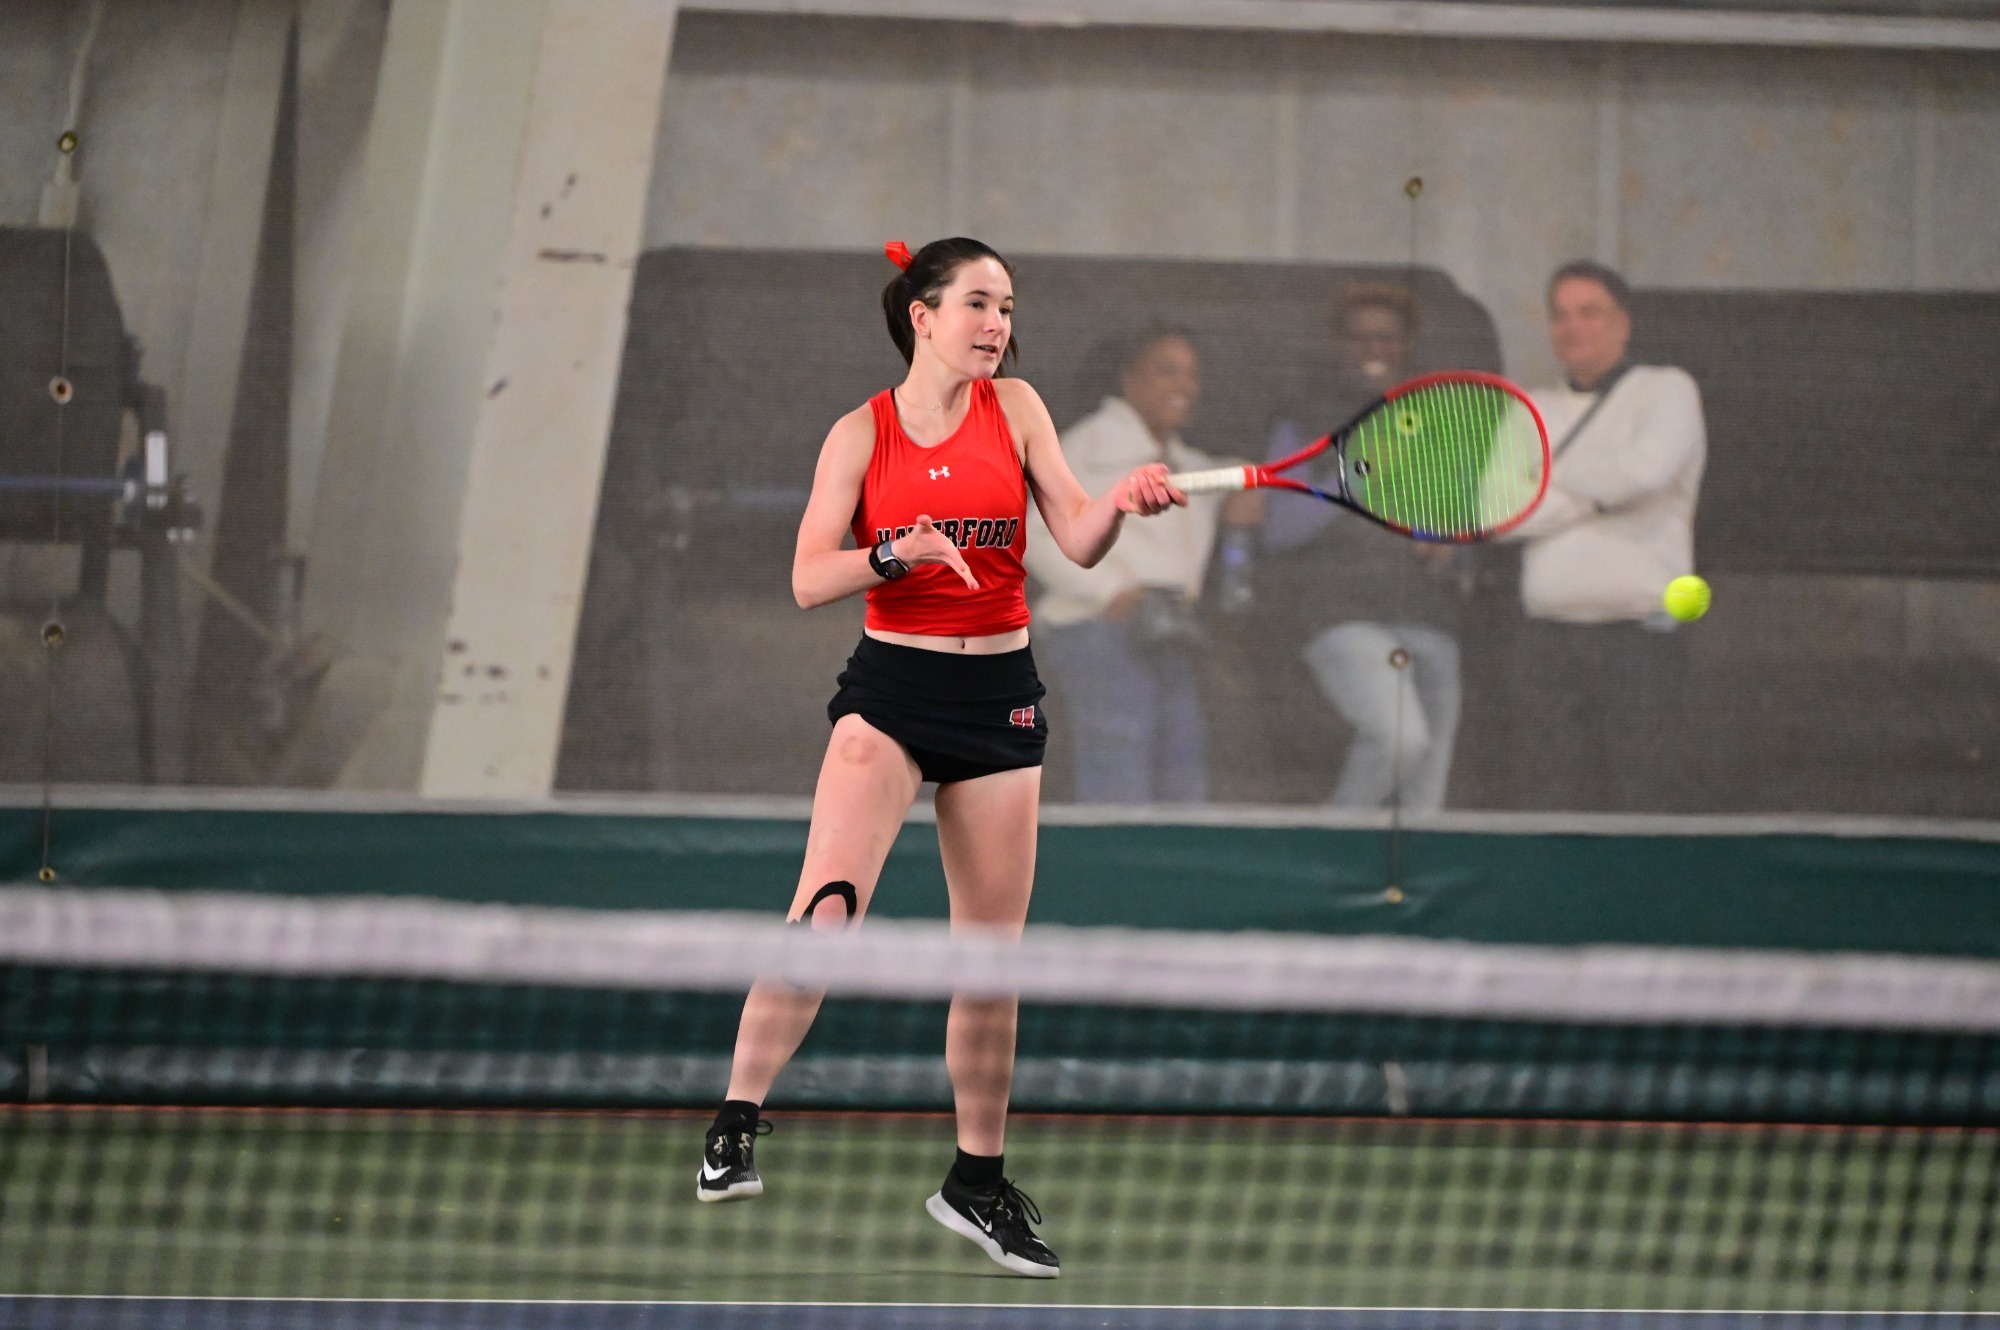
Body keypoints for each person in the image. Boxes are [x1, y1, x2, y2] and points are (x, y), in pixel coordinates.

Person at [695, 238, 1185, 1280]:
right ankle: (736, 1119)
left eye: (1005, 306)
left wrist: (1122, 504)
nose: (995, 323)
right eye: (975, 302)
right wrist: (893, 551)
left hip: (998, 699)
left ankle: (974, 1181)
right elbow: (804, 578)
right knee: (825, 908)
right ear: (921, 314)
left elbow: (1076, 536)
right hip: (892, 690)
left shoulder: (1017, 410)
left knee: (988, 960)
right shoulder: (857, 435)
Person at [1499, 259, 1707, 810]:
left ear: (1623, 324)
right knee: (1546, 801)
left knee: (1641, 800)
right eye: (1561, 315)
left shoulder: (1667, 390)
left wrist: (1550, 478)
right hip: (1545, 641)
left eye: (1590, 313)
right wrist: (1599, 495)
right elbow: (1499, 514)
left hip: (1638, 638)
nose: (1574, 327)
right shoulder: (1533, 410)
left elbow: (1646, 475)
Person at [1023, 327, 1259, 803]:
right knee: (1119, 748)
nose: (1185, 386)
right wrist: (1110, 591)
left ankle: (1178, 876)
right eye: (1167, 371)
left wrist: (1242, 487)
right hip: (1099, 627)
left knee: (1181, 753)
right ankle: (1117, 873)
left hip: (1169, 631)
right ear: (1129, 379)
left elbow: (1206, 482)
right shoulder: (1089, 443)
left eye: (1192, 375)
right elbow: (1031, 533)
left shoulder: (1181, 460)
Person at [1260, 283, 1464, 811]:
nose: (1375, 348)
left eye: (1388, 337)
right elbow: (1277, 529)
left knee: (1427, 788)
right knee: (1402, 739)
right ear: (1338, 346)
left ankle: (1419, 889)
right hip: (1340, 612)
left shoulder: (1438, 423)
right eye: (1360, 338)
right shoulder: (1303, 419)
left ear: (1407, 346)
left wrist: (1450, 546)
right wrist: (1357, 473)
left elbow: (1467, 525)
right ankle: (1332, 845)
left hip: (1429, 617)